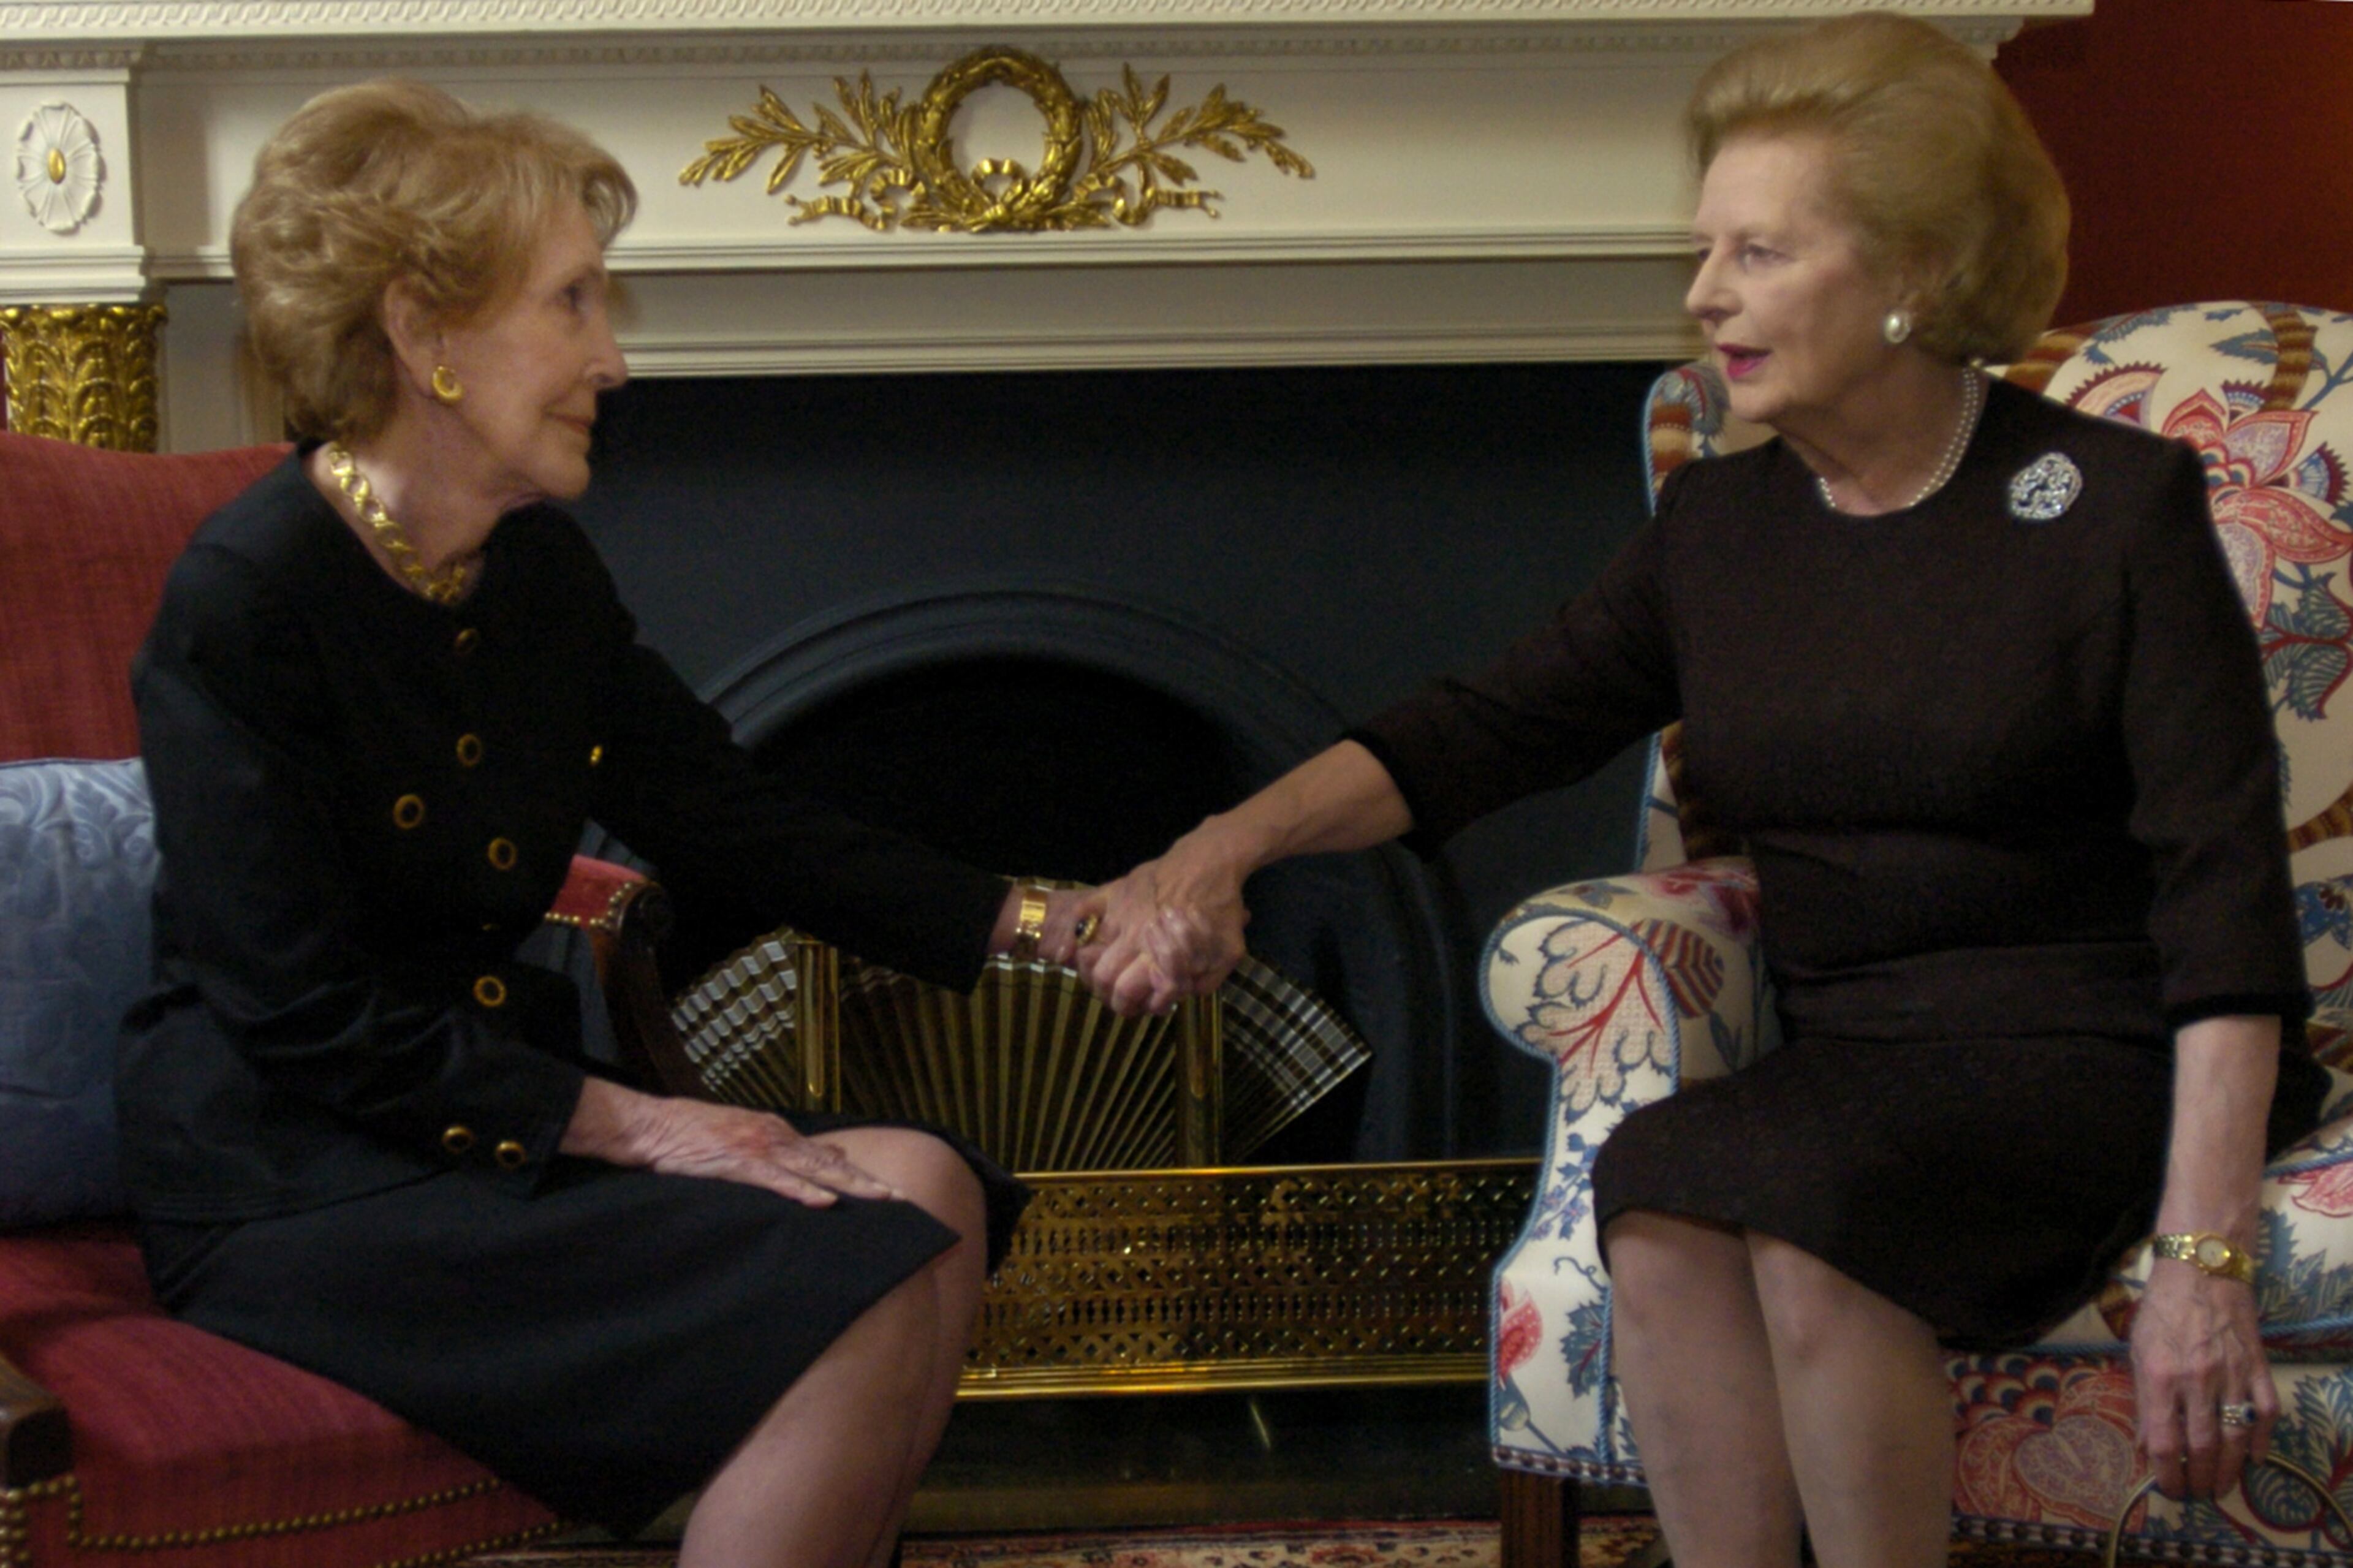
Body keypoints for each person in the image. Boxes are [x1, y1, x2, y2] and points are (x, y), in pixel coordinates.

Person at [1070, 15, 2329, 1568]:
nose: (1703, 295)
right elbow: (1483, 727)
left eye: (1758, 251)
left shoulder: (2105, 510)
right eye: (1704, 249)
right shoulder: (1723, 527)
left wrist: (2202, 1252)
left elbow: (2222, 887)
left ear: (1914, 279)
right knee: (1660, 1182)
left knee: (1813, 1215)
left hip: (2094, 1043)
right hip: (1861, 1049)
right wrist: (1222, 845)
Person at [118, 80, 1089, 1568]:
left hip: (492, 1114)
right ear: (427, 337)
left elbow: (725, 814)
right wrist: (643, 1122)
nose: (611, 358)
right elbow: (298, 1012)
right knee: (876, 1270)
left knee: (936, 1189)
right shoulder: (249, 600)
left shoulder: (538, 575)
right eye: (570, 303)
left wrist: (1040, 921)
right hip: (304, 1174)